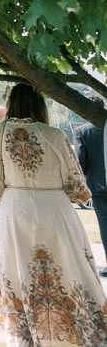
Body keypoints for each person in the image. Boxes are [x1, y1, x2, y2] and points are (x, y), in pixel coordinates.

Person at [0, 82, 106, 342]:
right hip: (55, 209)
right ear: (40, 105)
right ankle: (82, 330)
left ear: (10, 105)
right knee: (71, 267)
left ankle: (24, 335)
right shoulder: (54, 134)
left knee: (18, 272)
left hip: (15, 210)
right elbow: (77, 187)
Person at [71, 101, 107, 277]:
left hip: (100, 186)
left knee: (106, 226)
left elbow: (80, 160)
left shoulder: (82, 131)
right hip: (99, 184)